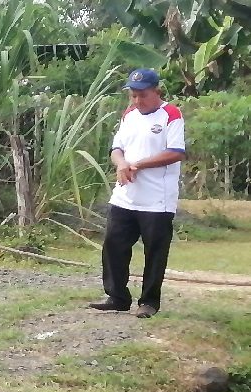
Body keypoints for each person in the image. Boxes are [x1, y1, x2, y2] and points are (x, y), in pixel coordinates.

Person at [88, 69, 185, 319]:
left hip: (157, 199)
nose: (137, 100)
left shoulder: (170, 115)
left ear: (156, 91)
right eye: (133, 95)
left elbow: (176, 152)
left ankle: (149, 301)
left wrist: (138, 165)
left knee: (155, 251)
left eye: (142, 95)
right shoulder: (129, 115)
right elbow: (116, 148)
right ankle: (117, 296)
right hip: (125, 195)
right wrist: (121, 163)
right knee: (113, 244)